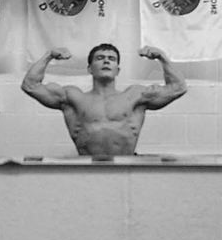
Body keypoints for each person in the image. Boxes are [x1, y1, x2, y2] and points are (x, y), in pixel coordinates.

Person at [21, 43, 187, 157]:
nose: (106, 60)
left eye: (111, 59)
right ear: (89, 68)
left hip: (127, 167)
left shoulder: (135, 96)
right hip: (87, 169)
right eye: (100, 58)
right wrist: (48, 55)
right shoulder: (73, 97)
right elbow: (30, 85)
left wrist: (162, 57)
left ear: (118, 70)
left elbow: (178, 87)